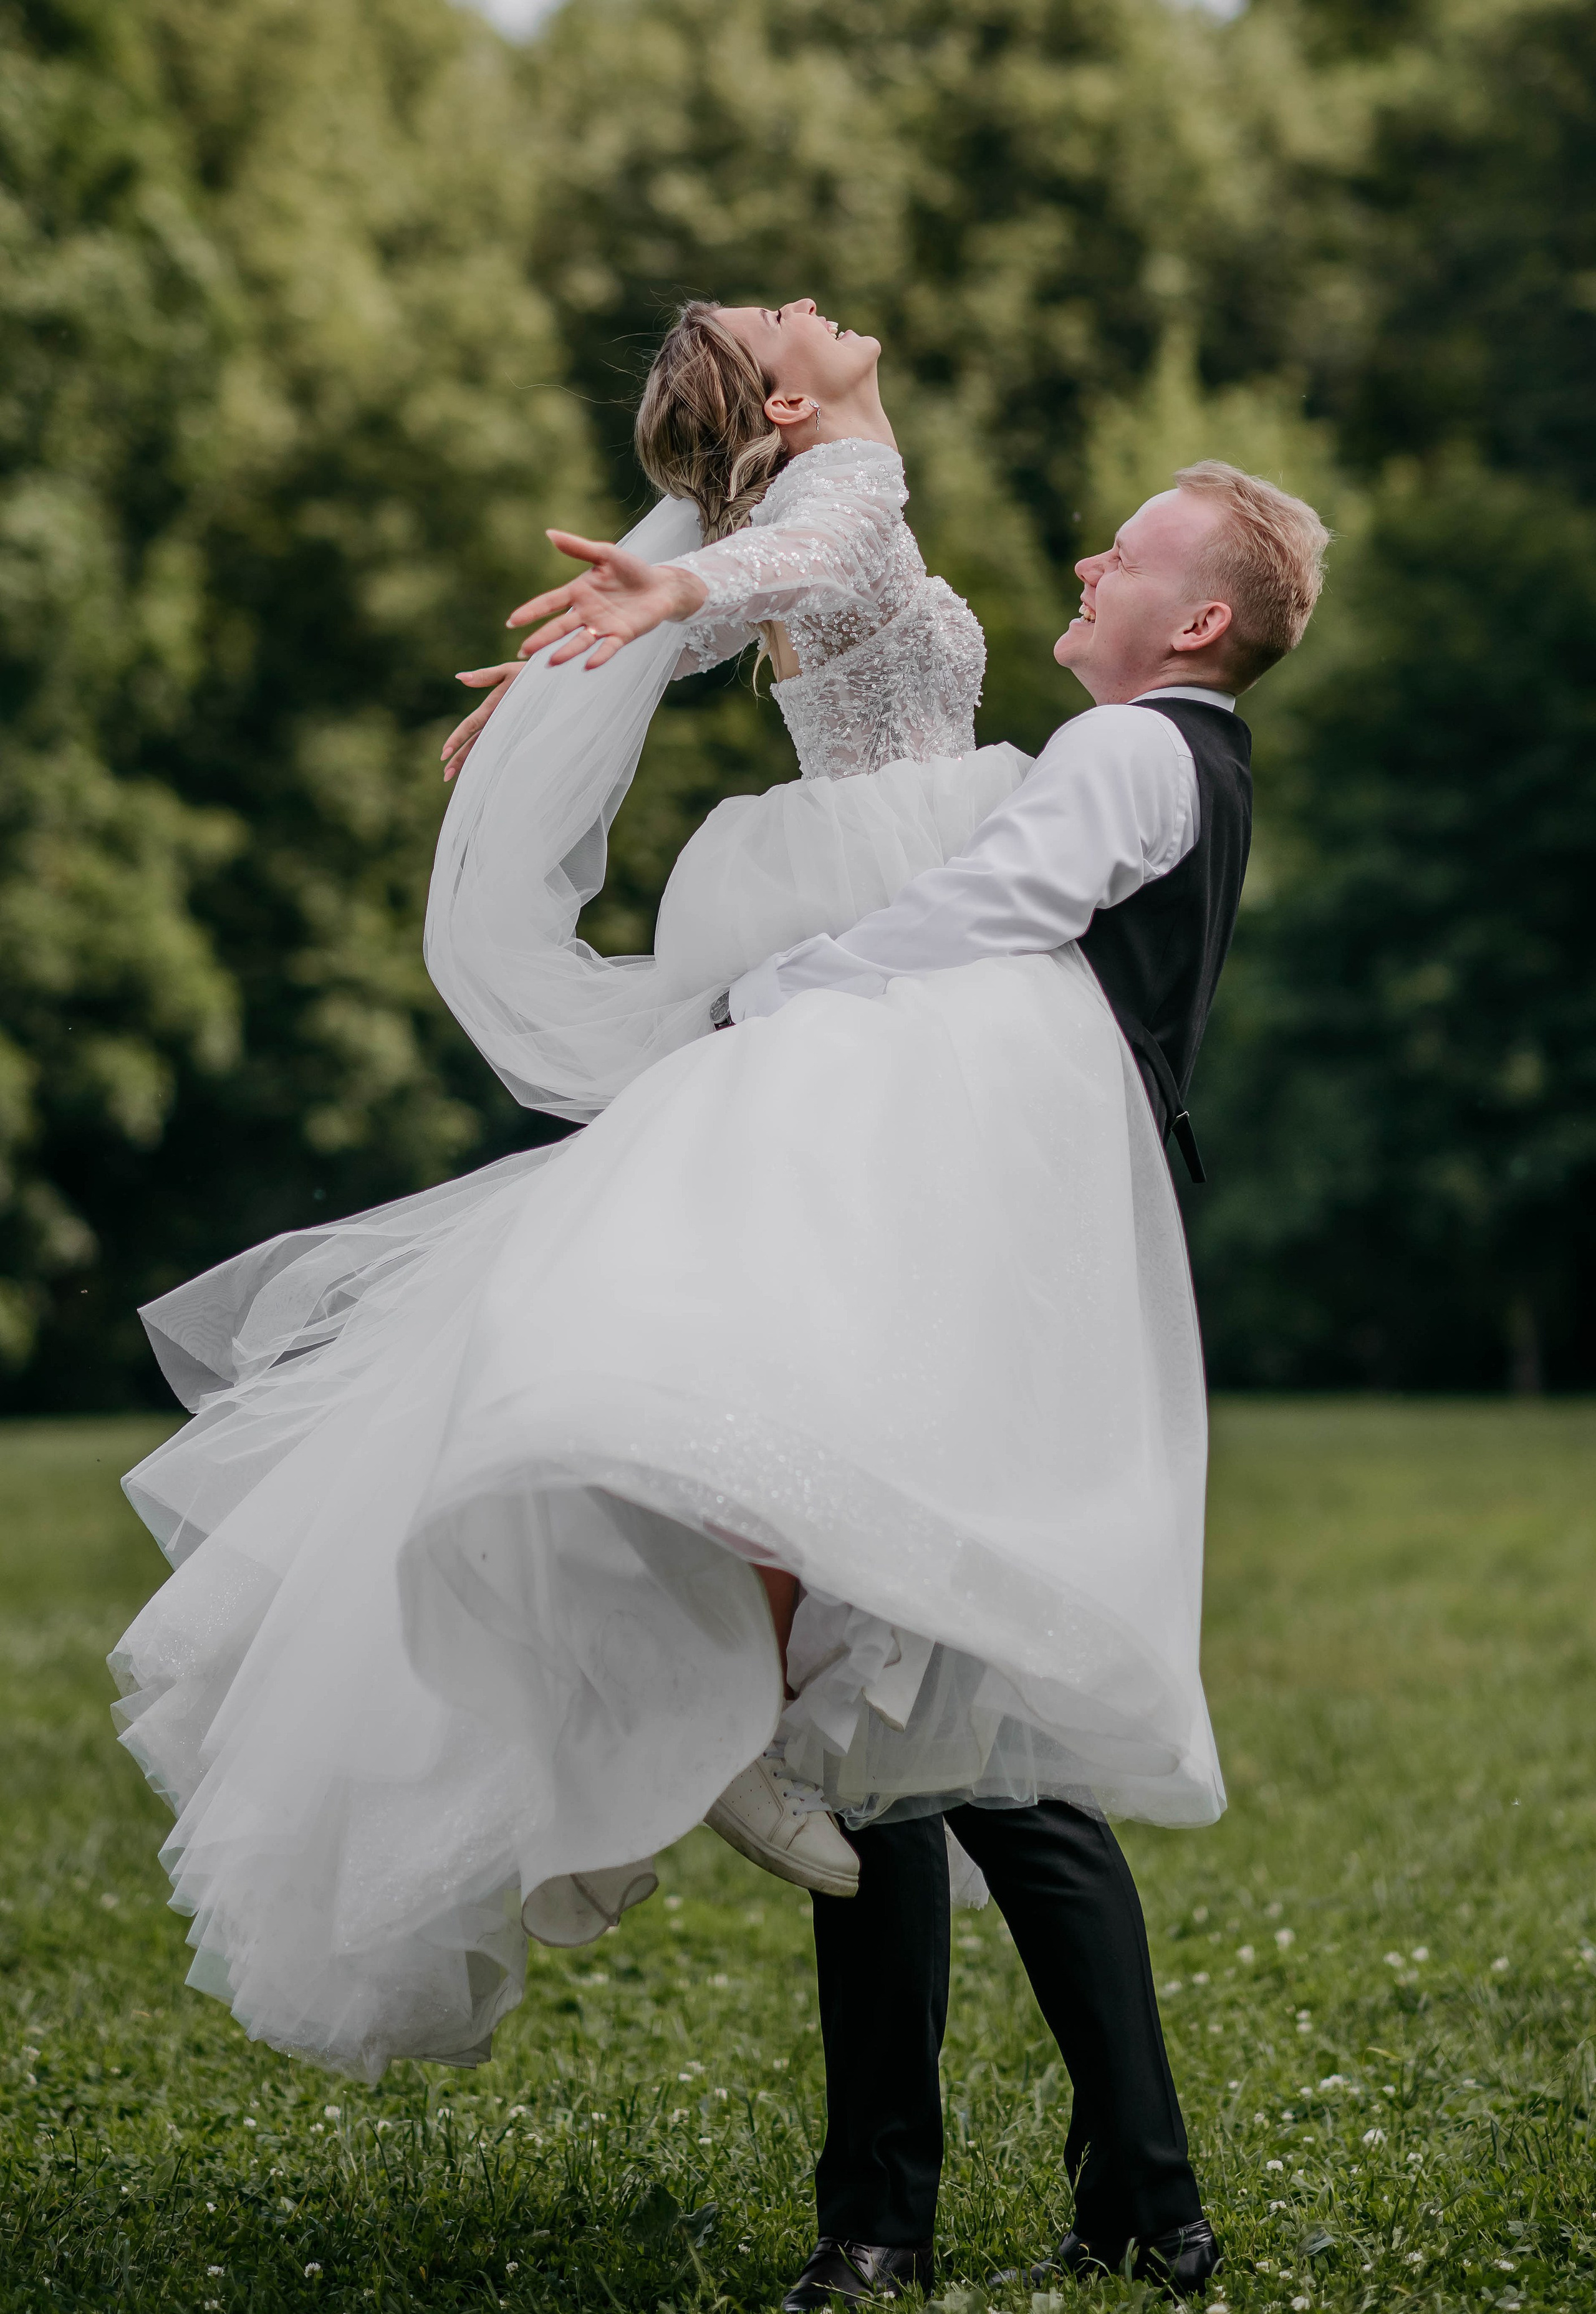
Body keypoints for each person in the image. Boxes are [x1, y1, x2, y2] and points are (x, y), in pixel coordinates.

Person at [110, 293, 1325, 2304]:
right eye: (791, 317)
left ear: (1196, 621)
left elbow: (975, 863)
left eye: (1128, 553)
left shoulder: (1124, 744)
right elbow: (795, 569)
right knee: (912, 1727)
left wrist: (776, 969)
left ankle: (1035, 2190)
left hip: (985, 1198)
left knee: (955, 1725)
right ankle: (957, 2206)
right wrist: (627, 639)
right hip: (962, 1183)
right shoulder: (1035, 672)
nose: (1089, 561)